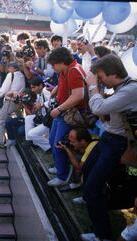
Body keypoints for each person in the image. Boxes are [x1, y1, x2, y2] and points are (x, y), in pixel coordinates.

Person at [79, 54, 137, 241]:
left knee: (93, 186)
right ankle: (90, 198)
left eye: (101, 76)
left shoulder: (131, 90)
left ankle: (102, 235)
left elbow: (98, 108)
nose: (100, 80)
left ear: (112, 73)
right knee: (87, 169)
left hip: (117, 143)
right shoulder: (122, 87)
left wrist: (93, 86)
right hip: (108, 137)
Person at [47, 47, 85, 187]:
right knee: (52, 141)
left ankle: (63, 176)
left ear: (61, 61)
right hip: (63, 112)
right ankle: (59, 166)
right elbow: (64, 85)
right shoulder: (65, 70)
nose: (52, 67)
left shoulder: (74, 70)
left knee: (59, 144)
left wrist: (59, 108)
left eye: (53, 64)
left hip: (69, 113)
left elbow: (78, 95)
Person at [0, 62, 25, 147]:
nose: (8, 70)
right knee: (19, 119)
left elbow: (5, 88)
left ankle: (1, 141)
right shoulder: (22, 75)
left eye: (10, 68)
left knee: (0, 120)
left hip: (10, 101)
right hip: (20, 102)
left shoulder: (10, 75)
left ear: (14, 69)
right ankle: (18, 138)